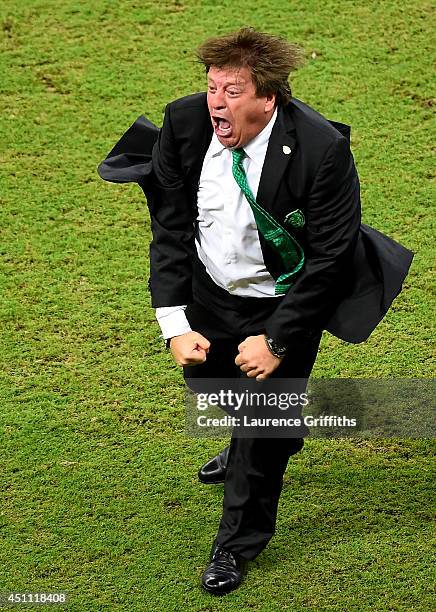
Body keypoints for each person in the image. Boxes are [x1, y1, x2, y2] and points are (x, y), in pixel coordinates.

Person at [98, 27, 413, 595]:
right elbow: (169, 228)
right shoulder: (186, 122)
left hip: (287, 299)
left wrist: (278, 339)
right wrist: (173, 322)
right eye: (212, 86)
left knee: (261, 436)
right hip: (210, 289)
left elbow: (331, 258)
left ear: (268, 98)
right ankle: (265, 428)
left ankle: (236, 542)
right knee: (212, 384)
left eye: (232, 90)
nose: (217, 101)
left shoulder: (321, 149)